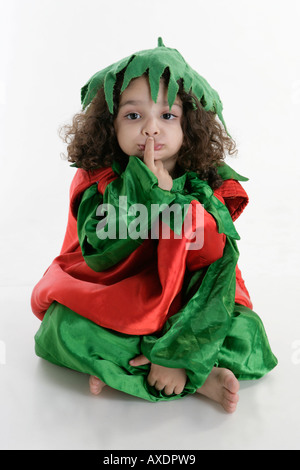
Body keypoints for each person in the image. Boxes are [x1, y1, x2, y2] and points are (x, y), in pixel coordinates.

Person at [31, 38, 277, 413]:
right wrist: (143, 193)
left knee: (248, 334)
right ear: (109, 125)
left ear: (189, 124)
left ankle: (133, 365)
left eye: (167, 116)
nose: (151, 129)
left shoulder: (208, 184)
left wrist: (173, 201)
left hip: (192, 305)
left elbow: (212, 260)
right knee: (61, 327)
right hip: (117, 296)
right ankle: (171, 370)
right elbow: (99, 251)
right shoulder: (97, 179)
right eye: (133, 116)